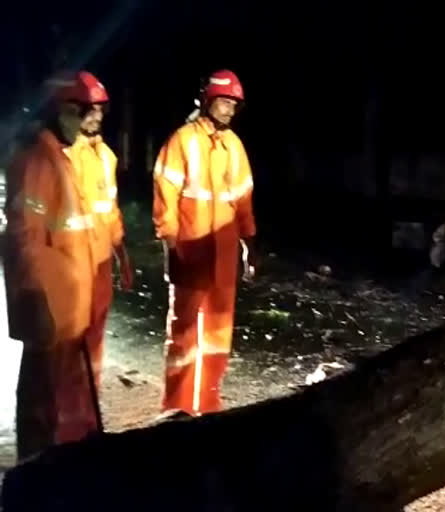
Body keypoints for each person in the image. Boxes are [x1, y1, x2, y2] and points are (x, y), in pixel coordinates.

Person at [4, 70, 131, 459]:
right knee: (40, 401)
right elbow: (24, 238)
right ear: (54, 113)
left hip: (64, 309)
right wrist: (35, 300)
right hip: (50, 311)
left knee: (54, 394)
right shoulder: (38, 163)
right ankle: (34, 473)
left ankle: (53, 460)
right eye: (75, 111)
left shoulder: (55, 158)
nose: (83, 120)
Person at [153, 69, 258, 415]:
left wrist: (250, 245)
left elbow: (243, 201)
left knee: (217, 337)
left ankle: (209, 404)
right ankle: (177, 406)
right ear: (208, 100)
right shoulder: (183, 141)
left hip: (224, 256)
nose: (229, 110)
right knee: (184, 334)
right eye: (225, 102)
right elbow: (165, 197)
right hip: (191, 251)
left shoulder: (234, 146)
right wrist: (170, 244)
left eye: (233, 105)